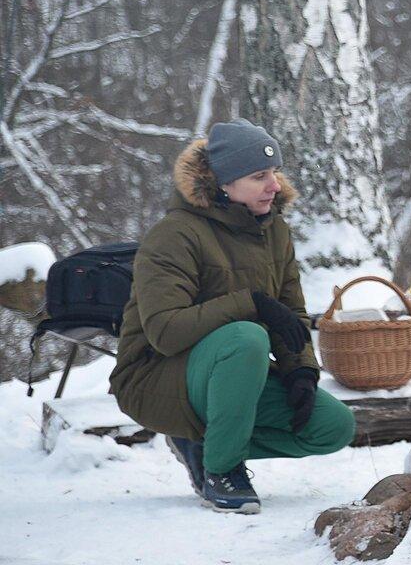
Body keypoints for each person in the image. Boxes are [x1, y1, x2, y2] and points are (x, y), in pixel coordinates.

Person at [110, 120, 355, 513]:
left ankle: (202, 443)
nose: (274, 185)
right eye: (259, 176)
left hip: (232, 374)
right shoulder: (175, 234)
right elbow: (165, 332)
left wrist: (300, 372)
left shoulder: (274, 231)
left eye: (274, 173)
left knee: (333, 427)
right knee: (246, 336)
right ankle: (221, 470)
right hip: (154, 377)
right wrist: (251, 303)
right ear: (223, 183)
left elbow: (289, 313)